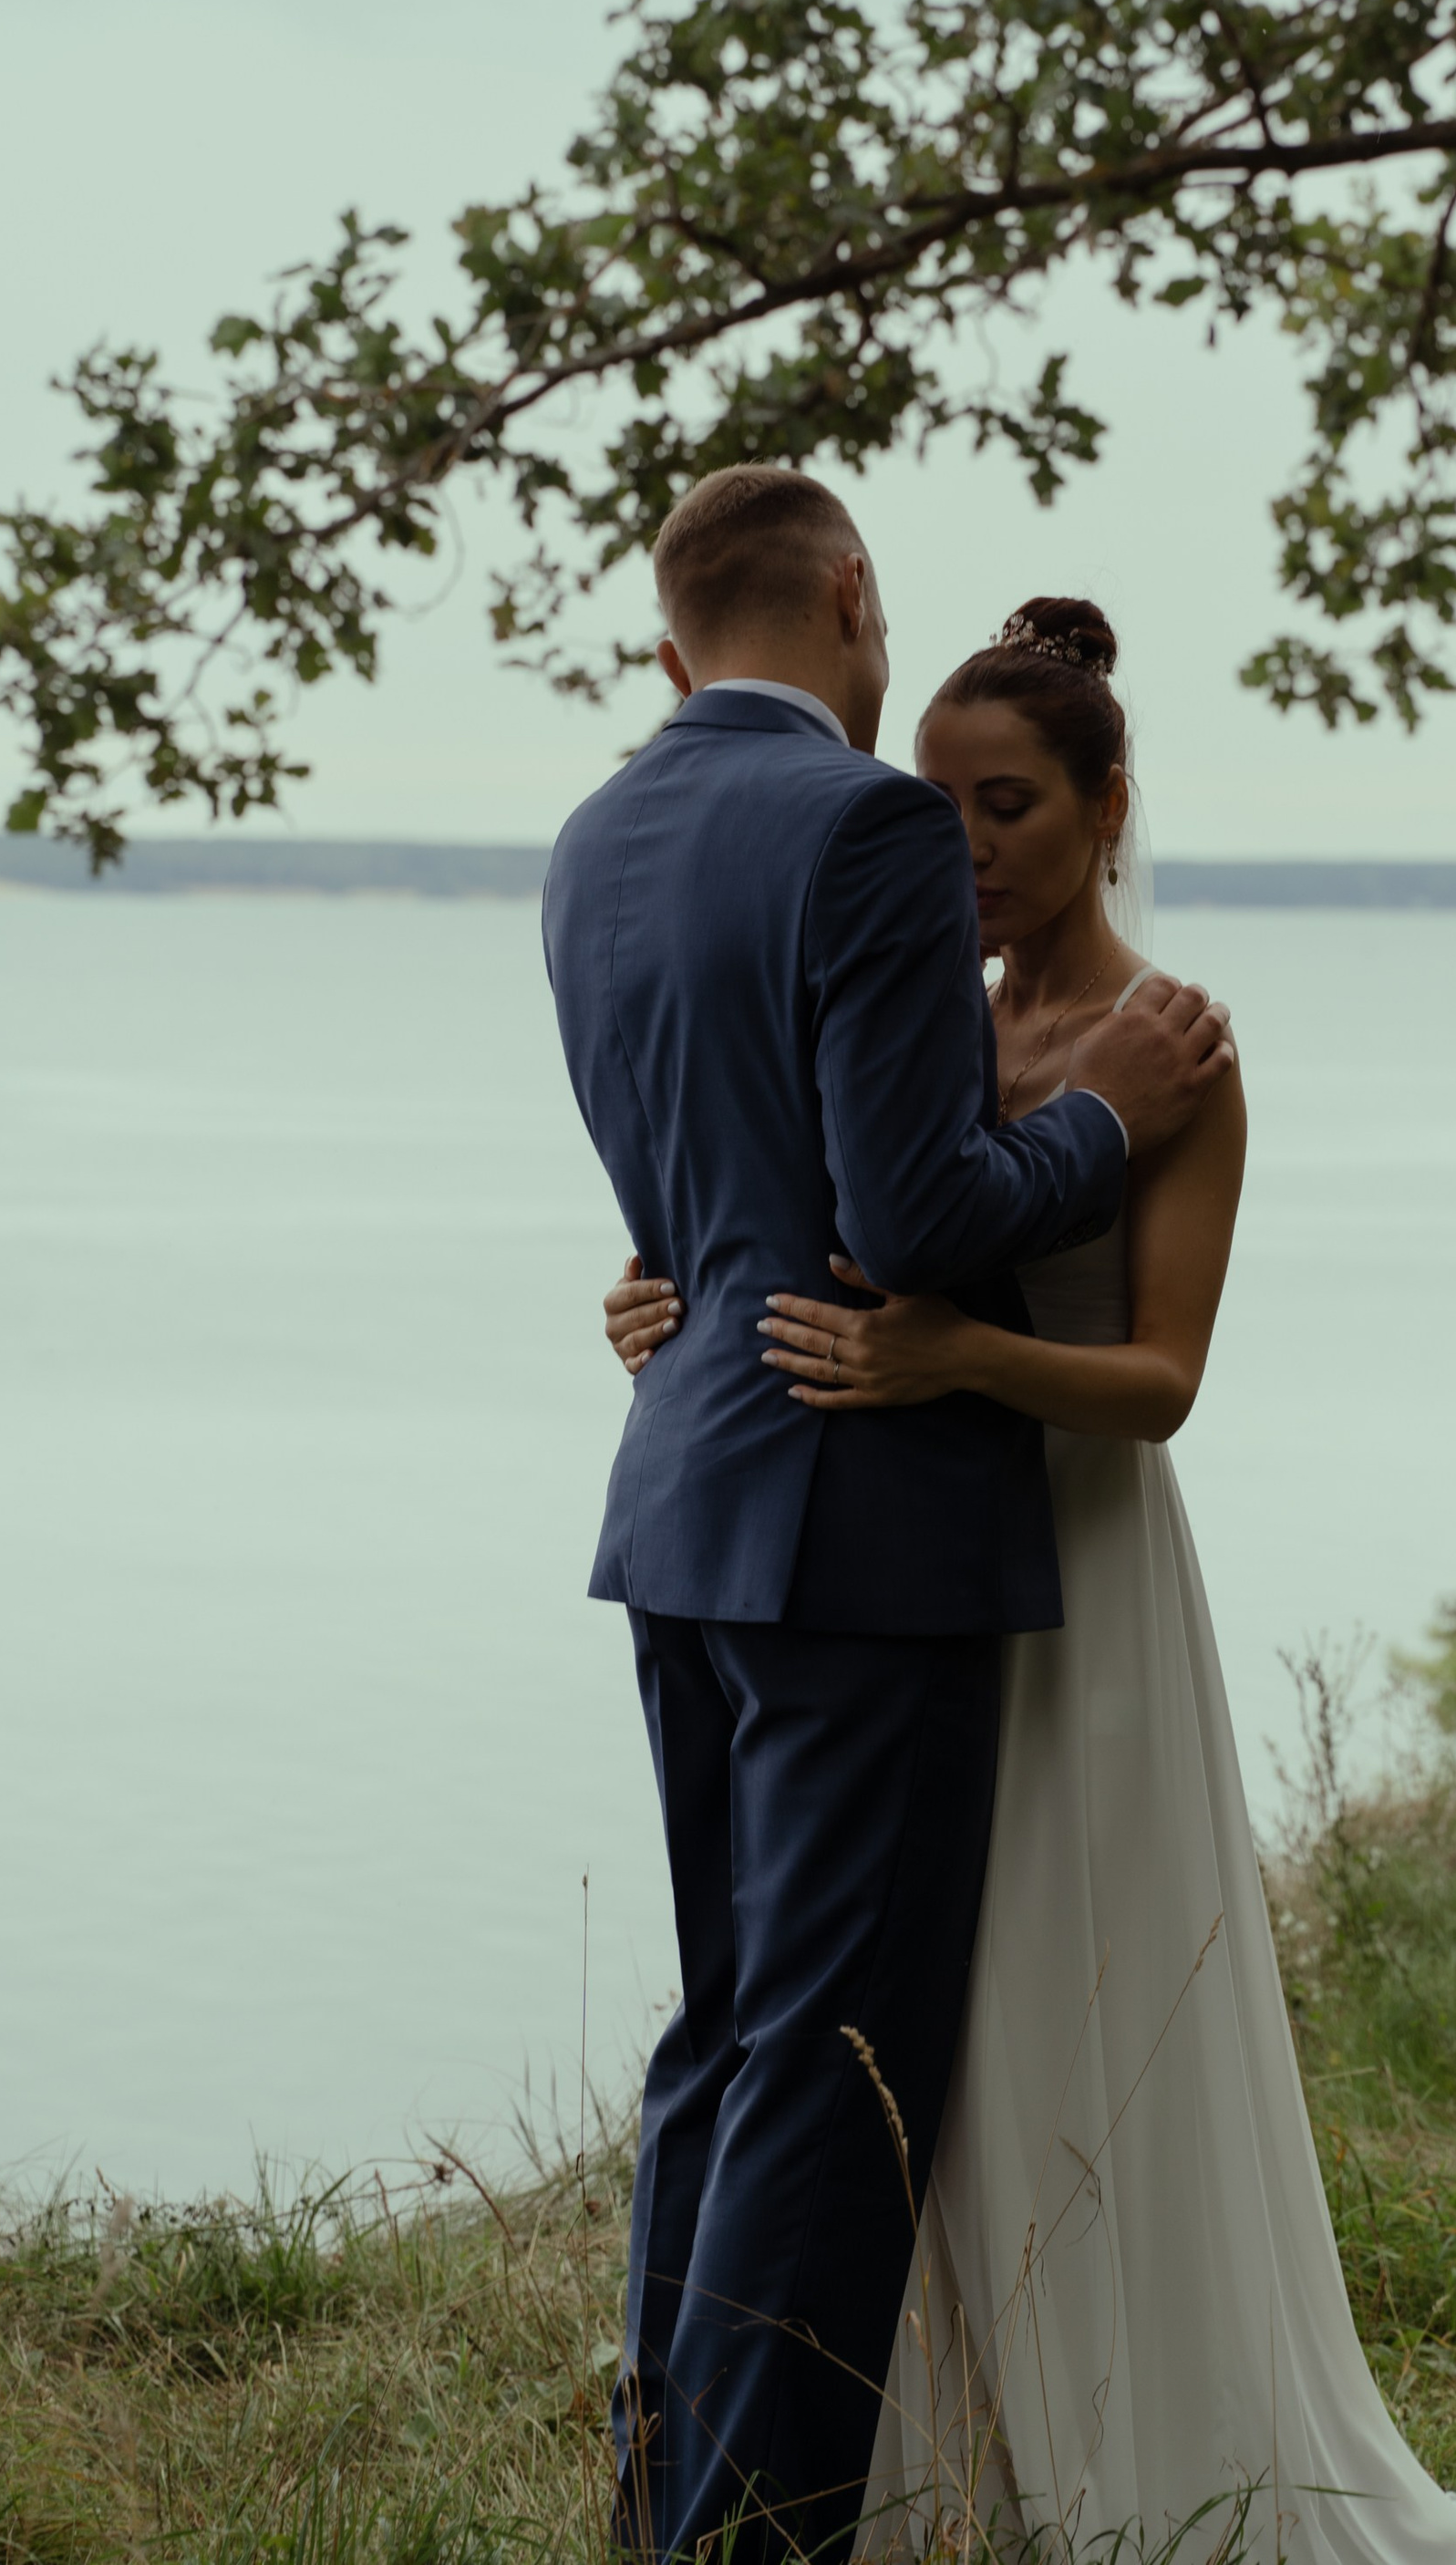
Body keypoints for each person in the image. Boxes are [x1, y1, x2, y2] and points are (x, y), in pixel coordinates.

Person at [603, 595, 1456, 2565]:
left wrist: (961, 1356)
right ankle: (922, 2461)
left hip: (1084, 1578)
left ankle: (1136, 2456)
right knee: (916, 2038)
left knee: (1081, 2015)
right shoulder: (916, 1022)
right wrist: (675, 1302)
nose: (967, 846)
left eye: (1011, 810)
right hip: (904, 1570)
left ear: (1105, 810)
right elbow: (795, 1242)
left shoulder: (1177, 1054)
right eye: (942, 807)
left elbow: (1157, 1385)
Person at [542, 471, 1235, 2565]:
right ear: (852, 591)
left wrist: (673, 1288)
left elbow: (700, 1177)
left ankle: (667, 2503)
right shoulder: (856, 823)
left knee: (721, 2035)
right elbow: (909, 1219)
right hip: (858, 1528)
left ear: (672, 641)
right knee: (835, 2077)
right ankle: (755, 2542)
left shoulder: (593, 836)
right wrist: (1112, 1104)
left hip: (684, 1502)